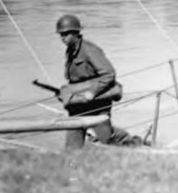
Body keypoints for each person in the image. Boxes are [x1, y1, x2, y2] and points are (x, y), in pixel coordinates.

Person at [56, 14, 146, 148]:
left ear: (75, 33)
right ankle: (71, 160)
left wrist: (92, 92)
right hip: (79, 105)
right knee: (72, 144)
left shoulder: (89, 50)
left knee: (107, 139)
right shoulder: (70, 51)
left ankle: (132, 143)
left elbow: (109, 73)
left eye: (66, 34)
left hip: (98, 103)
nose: (62, 37)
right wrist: (67, 95)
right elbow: (75, 80)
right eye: (61, 34)